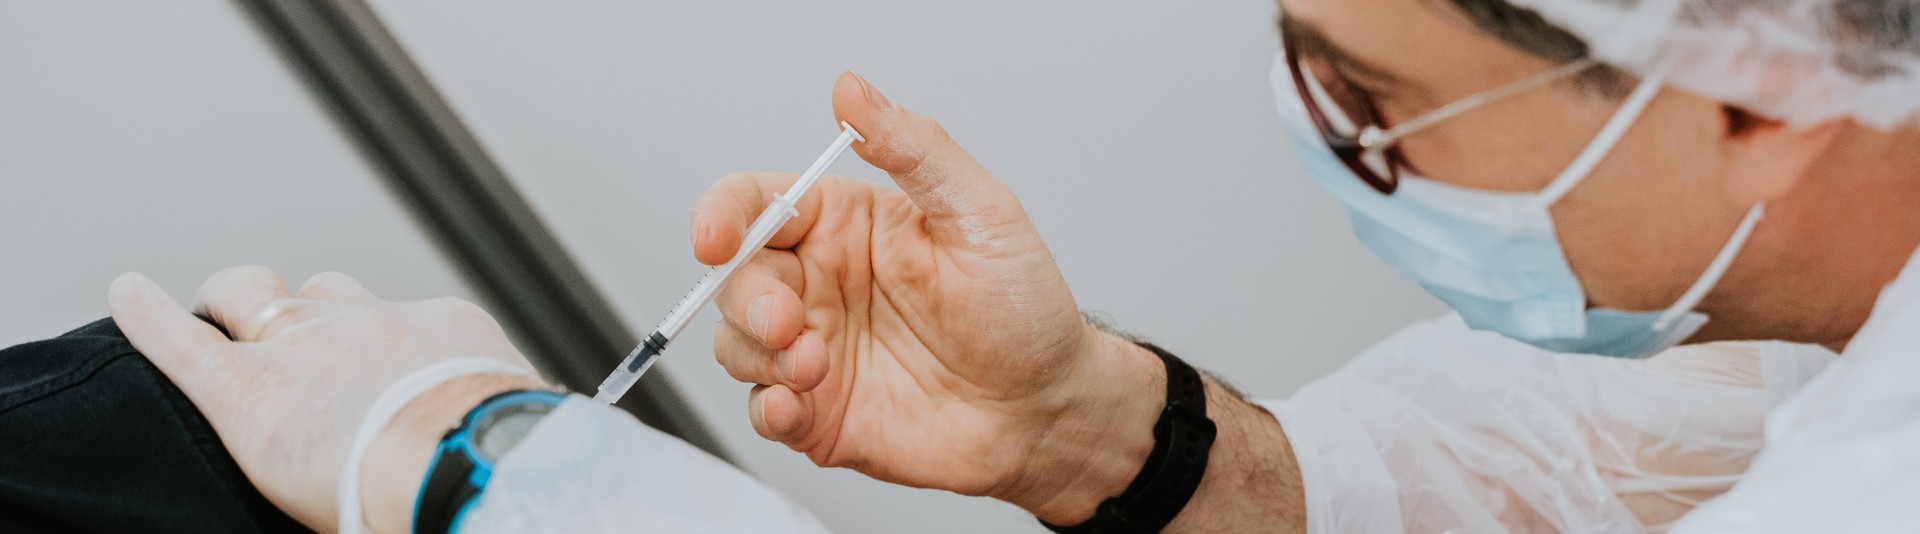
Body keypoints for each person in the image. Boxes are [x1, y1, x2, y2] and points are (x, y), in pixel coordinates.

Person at [91, 0, 1919, 532]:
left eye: (1371, 99)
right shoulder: (1814, 311)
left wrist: (504, 474)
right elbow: (1538, 474)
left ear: (1758, 88)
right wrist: (1100, 431)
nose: (1327, 141)